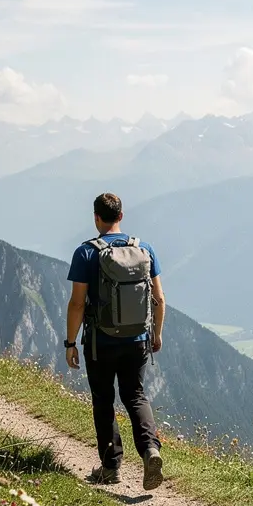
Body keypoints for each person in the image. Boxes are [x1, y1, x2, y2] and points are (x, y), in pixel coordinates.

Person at [64, 192, 166, 490]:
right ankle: (150, 451)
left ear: (96, 217)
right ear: (121, 216)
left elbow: (77, 304)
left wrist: (71, 342)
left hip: (100, 341)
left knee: (104, 399)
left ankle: (111, 467)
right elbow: (158, 298)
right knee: (135, 394)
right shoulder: (144, 249)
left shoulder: (86, 253)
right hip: (137, 338)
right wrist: (156, 334)